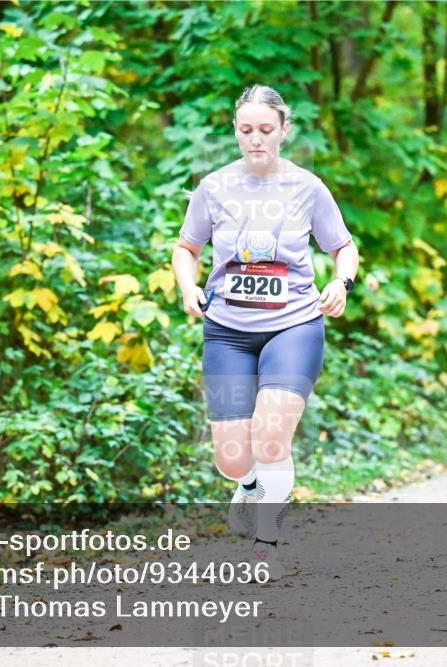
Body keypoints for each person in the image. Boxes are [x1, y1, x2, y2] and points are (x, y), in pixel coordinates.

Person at [171, 84, 359, 581]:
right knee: (233, 459)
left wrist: (341, 282)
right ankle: (250, 484)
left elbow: (343, 246)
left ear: (283, 131)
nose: (255, 139)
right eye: (246, 130)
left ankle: (266, 544)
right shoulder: (214, 187)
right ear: (236, 131)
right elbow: (186, 247)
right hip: (227, 331)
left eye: (265, 130)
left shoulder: (307, 187)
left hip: (294, 325)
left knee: (272, 435)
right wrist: (187, 286)